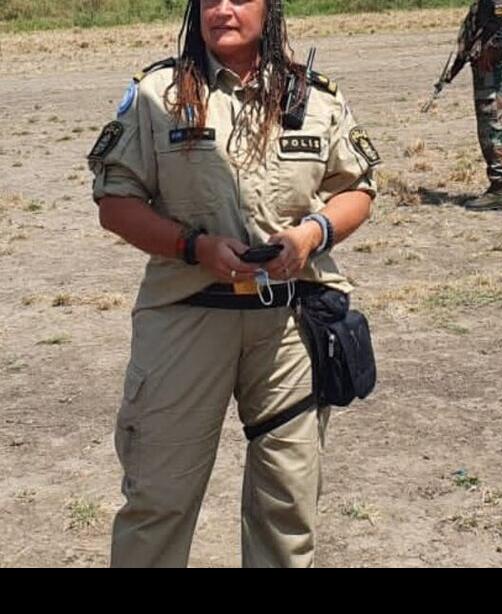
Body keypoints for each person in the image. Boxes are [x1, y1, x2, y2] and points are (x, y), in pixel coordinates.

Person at [87, 0, 379, 567]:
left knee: (287, 506)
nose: (222, 9)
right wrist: (194, 247)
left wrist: (311, 236)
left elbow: (358, 188)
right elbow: (115, 201)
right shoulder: (158, 94)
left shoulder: (314, 96)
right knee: (158, 499)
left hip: (290, 327)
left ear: (270, 8)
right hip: (186, 316)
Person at [462, 0, 502, 212]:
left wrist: (490, 49)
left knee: (492, 126)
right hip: (495, 70)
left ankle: (498, 189)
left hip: (492, 71)